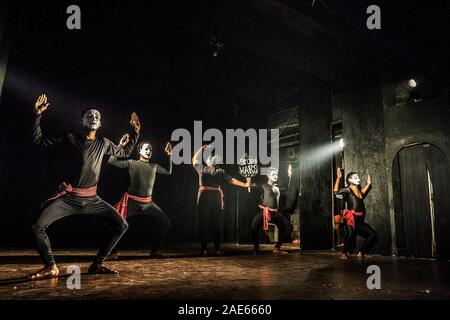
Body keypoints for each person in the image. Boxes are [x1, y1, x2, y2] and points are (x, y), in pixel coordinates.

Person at [29, 94, 140, 279]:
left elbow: (125, 151)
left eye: (97, 116)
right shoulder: (70, 139)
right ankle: (51, 267)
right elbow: (39, 141)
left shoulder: (103, 143)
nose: (94, 117)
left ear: (101, 123)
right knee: (37, 226)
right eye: (89, 115)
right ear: (82, 120)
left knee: (121, 225)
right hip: (69, 198)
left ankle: (97, 264)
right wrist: (37, 115)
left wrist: (136, 132)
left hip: (92, 199)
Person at [107, 141, 172, 259]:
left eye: (150, 149)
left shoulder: (154, 166)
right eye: (146, 149)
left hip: (148, 204)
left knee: (165, 222)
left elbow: (168, 171)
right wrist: (120, 146)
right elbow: (111, 161)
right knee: (116, 223)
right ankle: (113, 252)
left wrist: (169, 155)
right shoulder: (132, 163)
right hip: (131, 203)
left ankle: (155, 251)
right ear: (139, 151)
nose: (149, 151)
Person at [192, 145, 250, 255]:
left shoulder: (205, 169)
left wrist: (202, 148)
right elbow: (232, 180)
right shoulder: (216, 170)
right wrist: (244, 184)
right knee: (214, 224)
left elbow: (194, 159)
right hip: (212, 197)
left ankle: (207, 249)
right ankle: (214, 249)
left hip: (206, 197)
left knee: (207, 224)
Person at [333, 167, 378, 259]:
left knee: (373, 234)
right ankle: (343, 253)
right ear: (350, 180)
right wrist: (338, 177)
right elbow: (336, 192)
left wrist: (368, 185)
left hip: (359, 221)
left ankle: (361, 253)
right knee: (350, 235)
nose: (358, 179)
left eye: (358, 177)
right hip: (350, 218)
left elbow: (361, 194)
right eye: (355, 177)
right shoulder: (348, 190)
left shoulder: (357, 190)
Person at [251, 167, 293, 255]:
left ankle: (277, 248)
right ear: (268, 176)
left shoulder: (277, 188)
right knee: (254, 226)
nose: (275, 176)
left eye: (276, 174)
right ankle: (256, 248)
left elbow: (286, 187)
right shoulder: (263, 186)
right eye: (273, 174)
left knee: (288, 227)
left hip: (274, 214)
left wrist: (289, 175)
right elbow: (252, 185)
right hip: (264, 212)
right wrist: (248, 182)